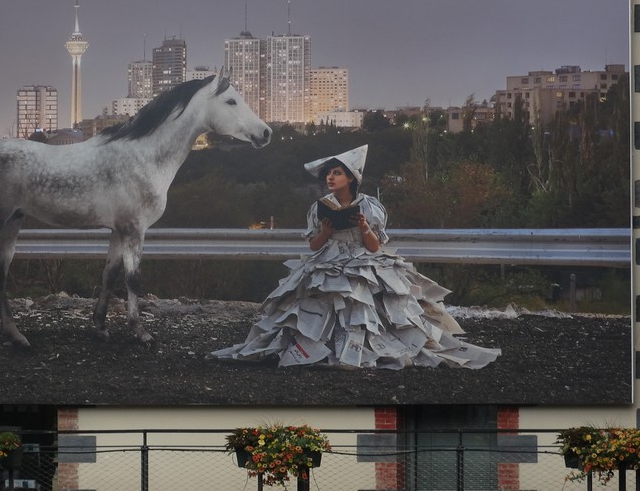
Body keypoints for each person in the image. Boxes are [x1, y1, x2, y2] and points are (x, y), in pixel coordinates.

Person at [211, 145, 500, 369]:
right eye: (328, 173)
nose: (330, 177)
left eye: (336, 173)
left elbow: (375, 247)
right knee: (318, 300)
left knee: (365, 301)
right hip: (328, 258)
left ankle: (363, 350)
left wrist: (363, 228)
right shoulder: (320, 207)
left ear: (351, 177)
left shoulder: (370, 207)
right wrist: (325, 231)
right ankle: (320, 350)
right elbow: (313, 246)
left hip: (363, 259)